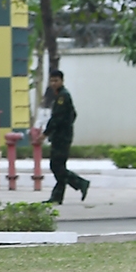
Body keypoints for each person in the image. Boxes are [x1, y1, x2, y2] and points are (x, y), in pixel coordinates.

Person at [43, 69, 91, 204]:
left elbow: (56, 118)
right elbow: (73, 114)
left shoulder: (63, 97)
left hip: (61, 137)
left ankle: (81, 183)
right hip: (62, 135)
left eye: (56, 80)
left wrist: (46, 133)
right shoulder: (60, 96)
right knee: (59, 166)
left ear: (62, 81)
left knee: (56, 166)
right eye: (51, 81)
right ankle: (57, 197)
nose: (53, 83)